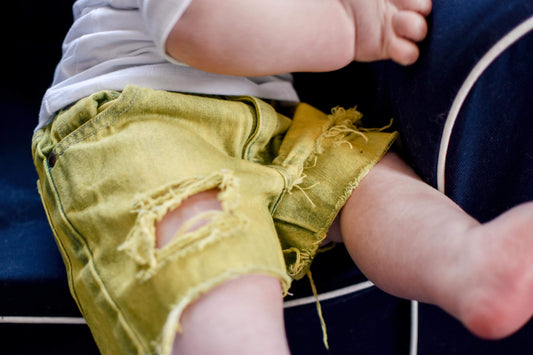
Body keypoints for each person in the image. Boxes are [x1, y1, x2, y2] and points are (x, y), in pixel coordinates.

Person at [31, 0, 533, 354]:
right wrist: (350, 29)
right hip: (138, 112)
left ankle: (470, 261)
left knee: (362, 176)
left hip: (272, 118)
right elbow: (197, 25)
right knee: (208, 247)